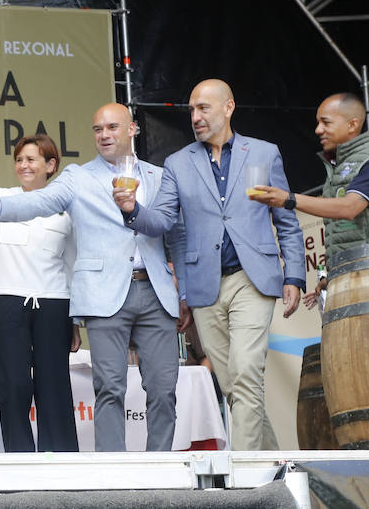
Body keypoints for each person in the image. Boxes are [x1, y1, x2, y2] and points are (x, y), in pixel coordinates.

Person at [0, 103, 182, 452]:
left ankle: (161, 469)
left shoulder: (160, 176)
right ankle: (112, 477)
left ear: (132, 130)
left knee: (163, 389)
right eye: (98, 129)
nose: (104, 134)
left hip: (156, 291)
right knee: (109, 388)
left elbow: (177, 233)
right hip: (104, 293)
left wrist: (182, 290)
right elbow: (39, 201)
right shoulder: (77, 177)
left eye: (113, 127)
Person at [115, 80, 304, 451]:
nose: (195, 117)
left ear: (228, 107)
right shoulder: (178, 162)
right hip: (205, 285)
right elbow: (163, 221)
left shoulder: (264, 153)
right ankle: (272, 465)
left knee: (247, 372)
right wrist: (132, 210)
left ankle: (245, 476)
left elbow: (287, 221)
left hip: (254, 279)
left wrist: (295, 274)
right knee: (235, 384)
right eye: (191, 111)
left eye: (203, 108)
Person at [0, 134, 80, 453]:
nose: (23, 165)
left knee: (53, 387)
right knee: (11, 386)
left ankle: (61, 463)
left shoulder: (67, 210)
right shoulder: (3, 197)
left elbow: (71, 266)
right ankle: (20, 461)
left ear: (51, 165)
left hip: (54, 304)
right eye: (19, 159)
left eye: (31, 159)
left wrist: (76, 322)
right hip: (8, 302)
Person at [252, 93, 369, 259]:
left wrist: (289, 199)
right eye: (318, 123)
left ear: (352, 125)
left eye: (326, 122)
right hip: (351, 272)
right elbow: (339, 233)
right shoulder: (337, 167)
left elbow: (349, 208)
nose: (318, 130)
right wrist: (332, 270)